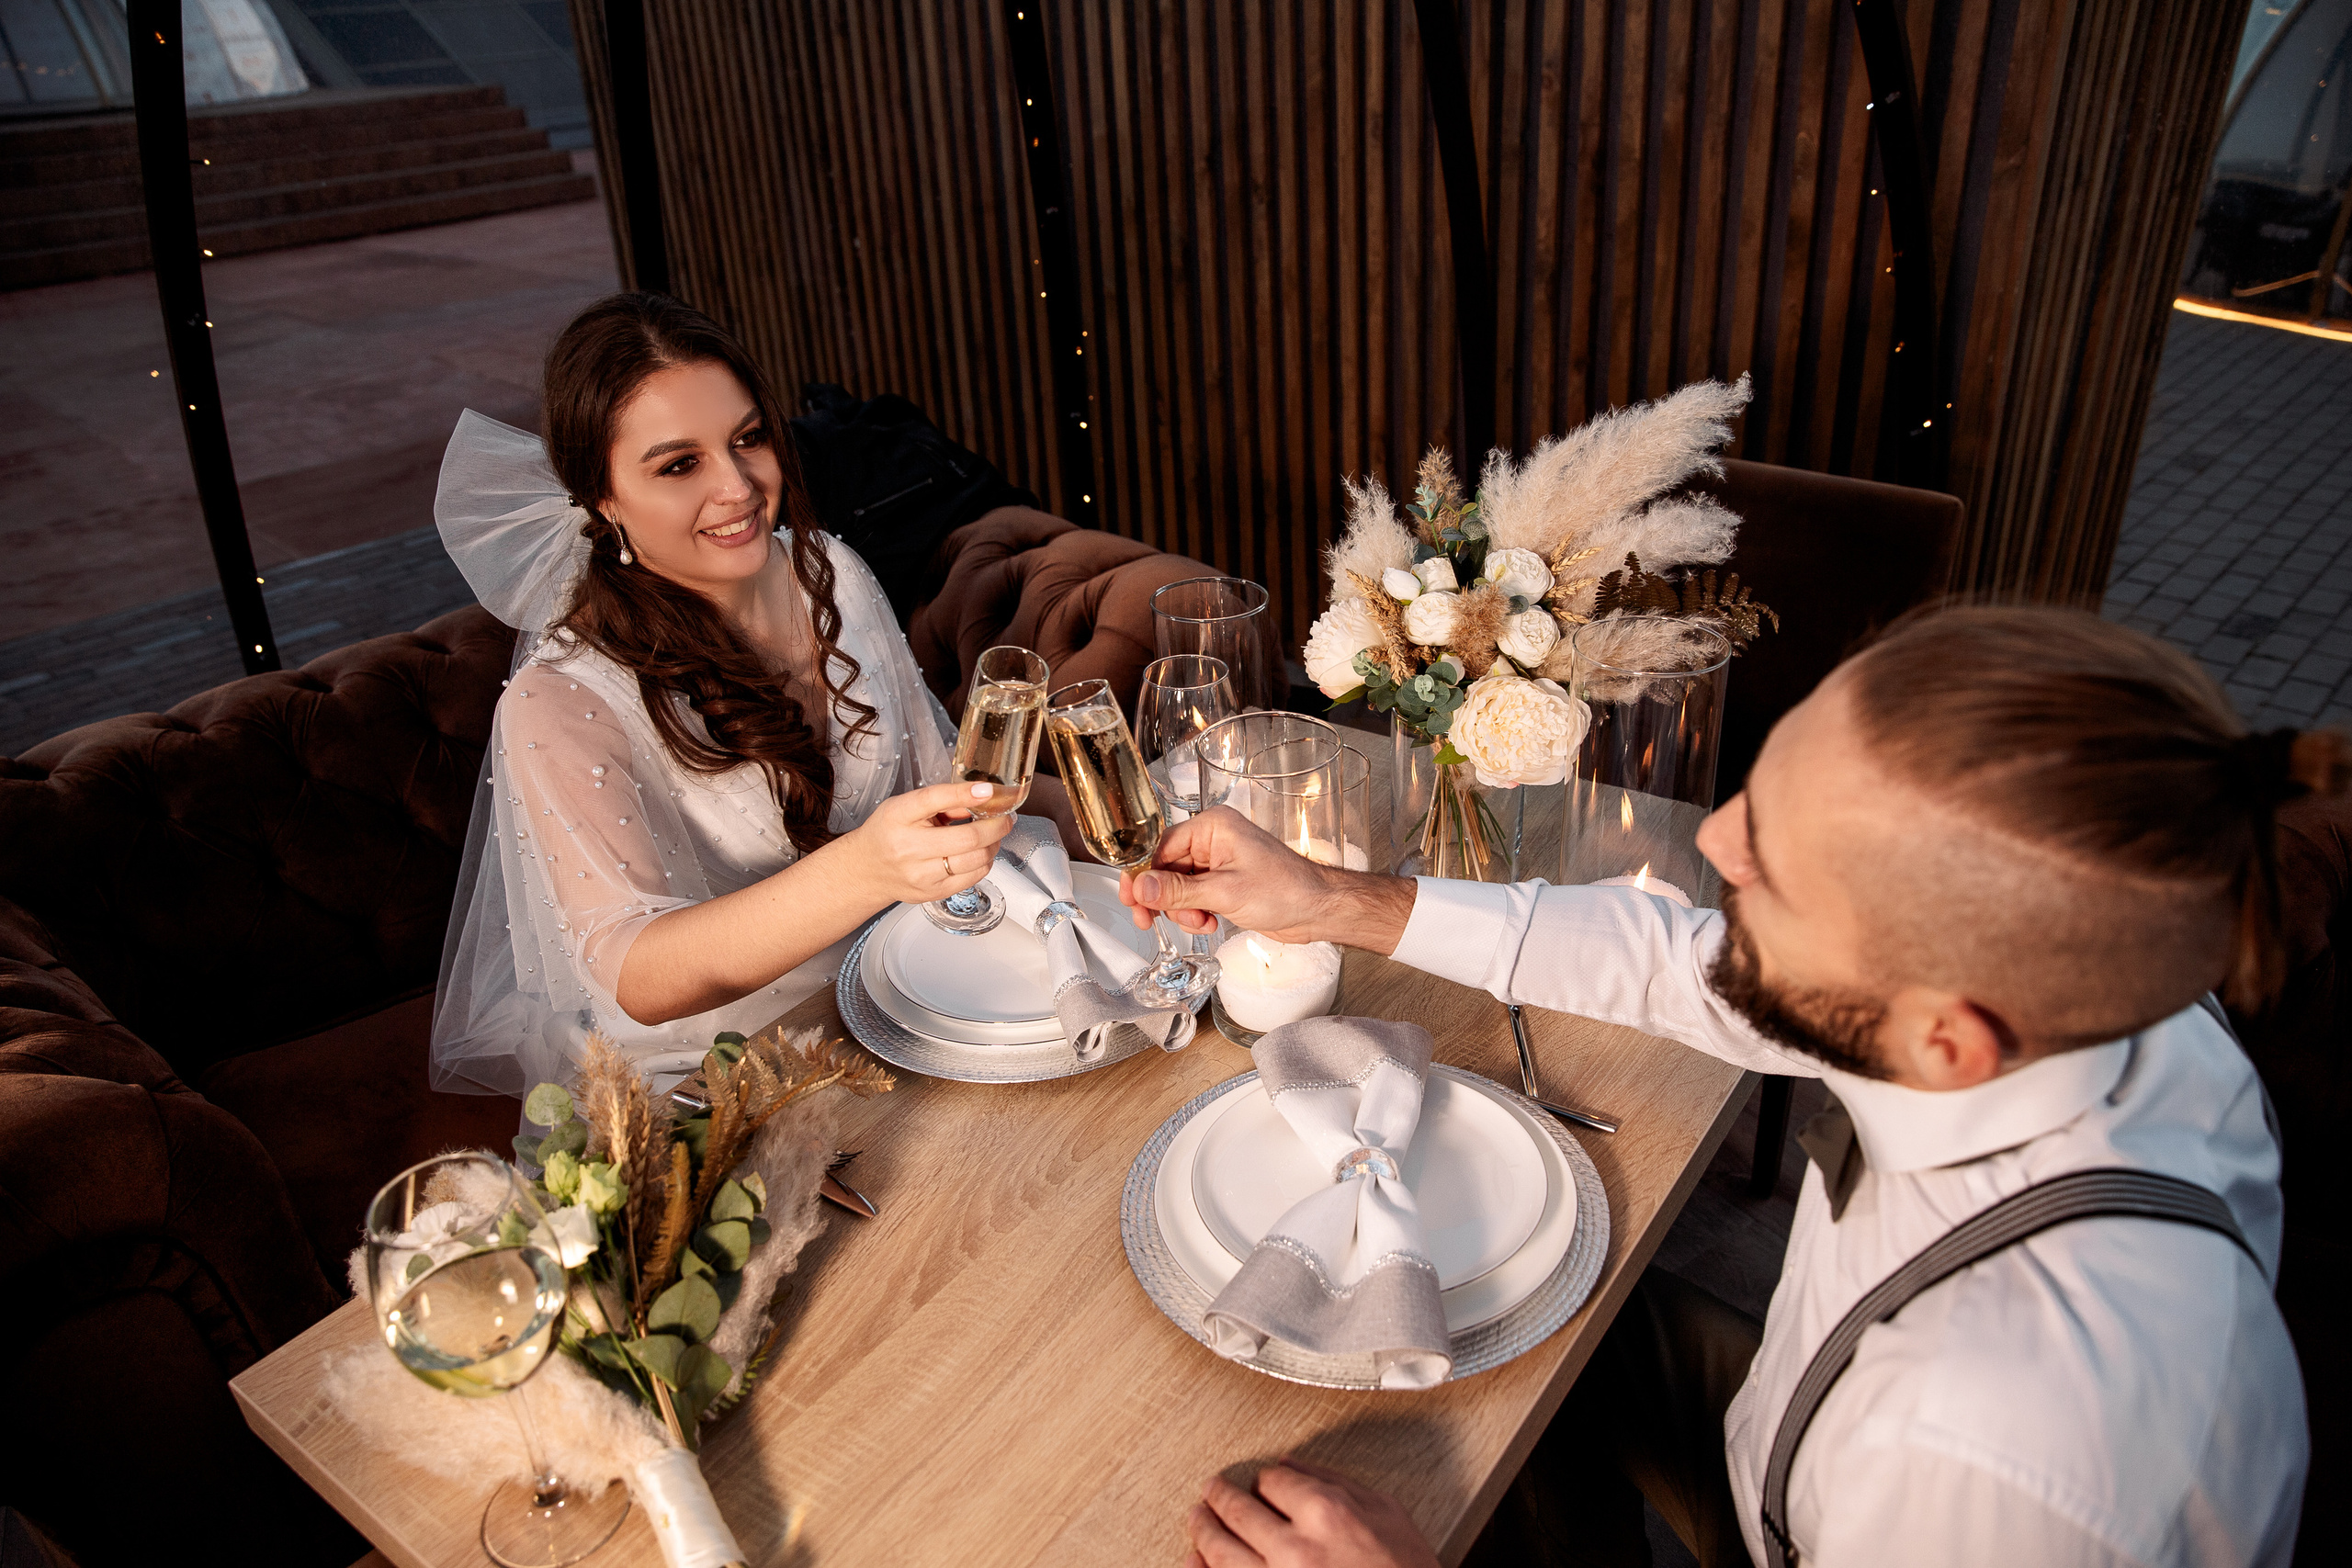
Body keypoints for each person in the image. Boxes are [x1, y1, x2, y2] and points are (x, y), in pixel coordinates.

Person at [1132, 606, 2343, 1568]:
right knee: (1496, 1318)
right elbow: (1688, 961)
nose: (1713, 846)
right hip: (1789, 1430)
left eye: (1774, 872)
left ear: (1944, 1042)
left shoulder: (1993, 1452)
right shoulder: (2100, 995)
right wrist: (1336, 899)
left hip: (1845, 1499)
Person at [430, 292, 1038, 1097]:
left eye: (748, 438)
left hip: (907, 991)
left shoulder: (830, 570)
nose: (740, 487)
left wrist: (1145, 811)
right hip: (724, 1069)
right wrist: (866, 868)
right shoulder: (557, 701)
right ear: (602, 498)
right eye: (680, 464)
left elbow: (938, 780)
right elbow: (636, 973)